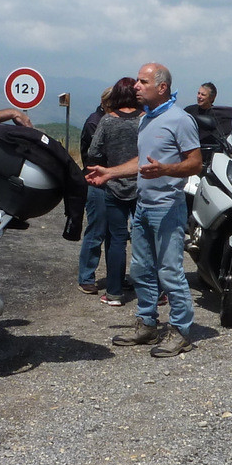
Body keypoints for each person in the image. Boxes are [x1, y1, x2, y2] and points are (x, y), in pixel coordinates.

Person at [85, 63, 202, 357]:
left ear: (161, 87)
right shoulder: (147, 119)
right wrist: (110, 173)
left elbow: (195, 163)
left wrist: (168, 169)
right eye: (137, 81)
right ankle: (148, 324)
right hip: (143, 206)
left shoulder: (181, 119)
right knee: (140, 269)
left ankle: (181, 331)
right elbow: (142, 162)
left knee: (170, 271)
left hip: (167, 207)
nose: (136, 86)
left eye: (142, 81)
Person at [84, 77, 142, 306]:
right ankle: (153, 292)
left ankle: (115, 292)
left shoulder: (108, 121)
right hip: (142, 186)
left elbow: (93, 152)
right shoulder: (146, 120)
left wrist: (109, 166)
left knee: (116, 239)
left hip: (114, 185)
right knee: (145, 240)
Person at [76, 86, 115, 293]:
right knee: (97, 230)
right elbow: (100, 154)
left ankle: (114, 276)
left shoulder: (102, 120)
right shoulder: (95, 122)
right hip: (96, 183)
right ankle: (86, 277)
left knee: (113, 233)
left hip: (110, 182)